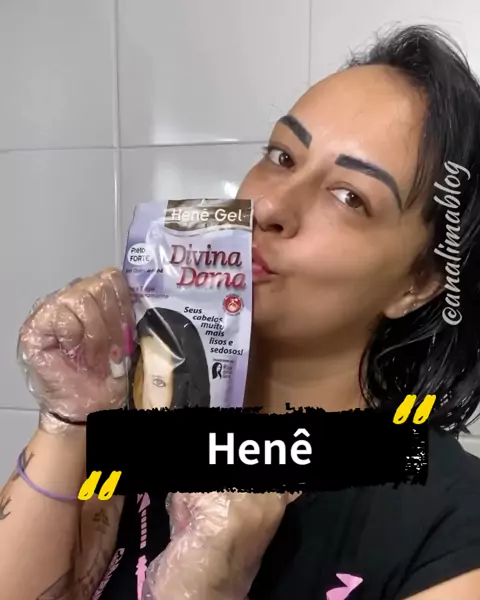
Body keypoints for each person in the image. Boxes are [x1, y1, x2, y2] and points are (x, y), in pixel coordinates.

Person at [2, 23, 480, 600]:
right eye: (282, 156)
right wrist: (68, 422)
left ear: (418, 283)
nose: (270, 204)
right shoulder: (144, 412)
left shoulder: (449, 531)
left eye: (349, 196)